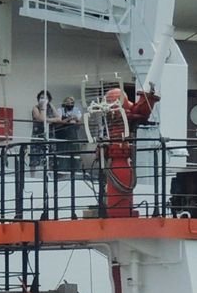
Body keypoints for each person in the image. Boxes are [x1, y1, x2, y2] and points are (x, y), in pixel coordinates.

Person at [97, 84, 159, 218]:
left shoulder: (113, 117)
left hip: (117, 155)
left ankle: (116, 209)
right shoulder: (126, 114)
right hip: (120, 155)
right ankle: (120, 210)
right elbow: (140, 113)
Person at [53, 95, 82, 174]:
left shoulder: (76, 110)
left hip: (73, 136)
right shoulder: (60, 110)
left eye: (72, 102)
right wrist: (69, 119)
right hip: (62, 136)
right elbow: (58, 123)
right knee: (63, 155)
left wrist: (75, 119)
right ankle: (61, 173)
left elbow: (79, 123)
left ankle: (75, 172)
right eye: (68, 102)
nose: (70, 104)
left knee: (74, 154)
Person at [30, 89, 55, 170]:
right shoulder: (35, 108)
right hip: (38, 134)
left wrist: (48, 120)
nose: (43, 99)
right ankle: (33, 177)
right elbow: (40, 118)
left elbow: (59, 117)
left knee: (50, 155)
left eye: (45, 98)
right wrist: (42, 109)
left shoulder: (51, 107)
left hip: (49, 134)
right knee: (34, 156)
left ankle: (50, 174)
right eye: (41, 97)